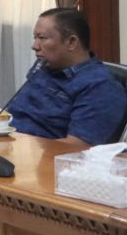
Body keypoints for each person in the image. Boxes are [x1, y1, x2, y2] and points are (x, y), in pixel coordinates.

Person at [8, 8, 126, 145]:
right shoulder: (45, 66)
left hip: (40, 154)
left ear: (71, 42)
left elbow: (78, 146)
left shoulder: (101, 86)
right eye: (35, 38)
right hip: (7, 142)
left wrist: (22, 147)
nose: (34, 46)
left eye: (42, 38)